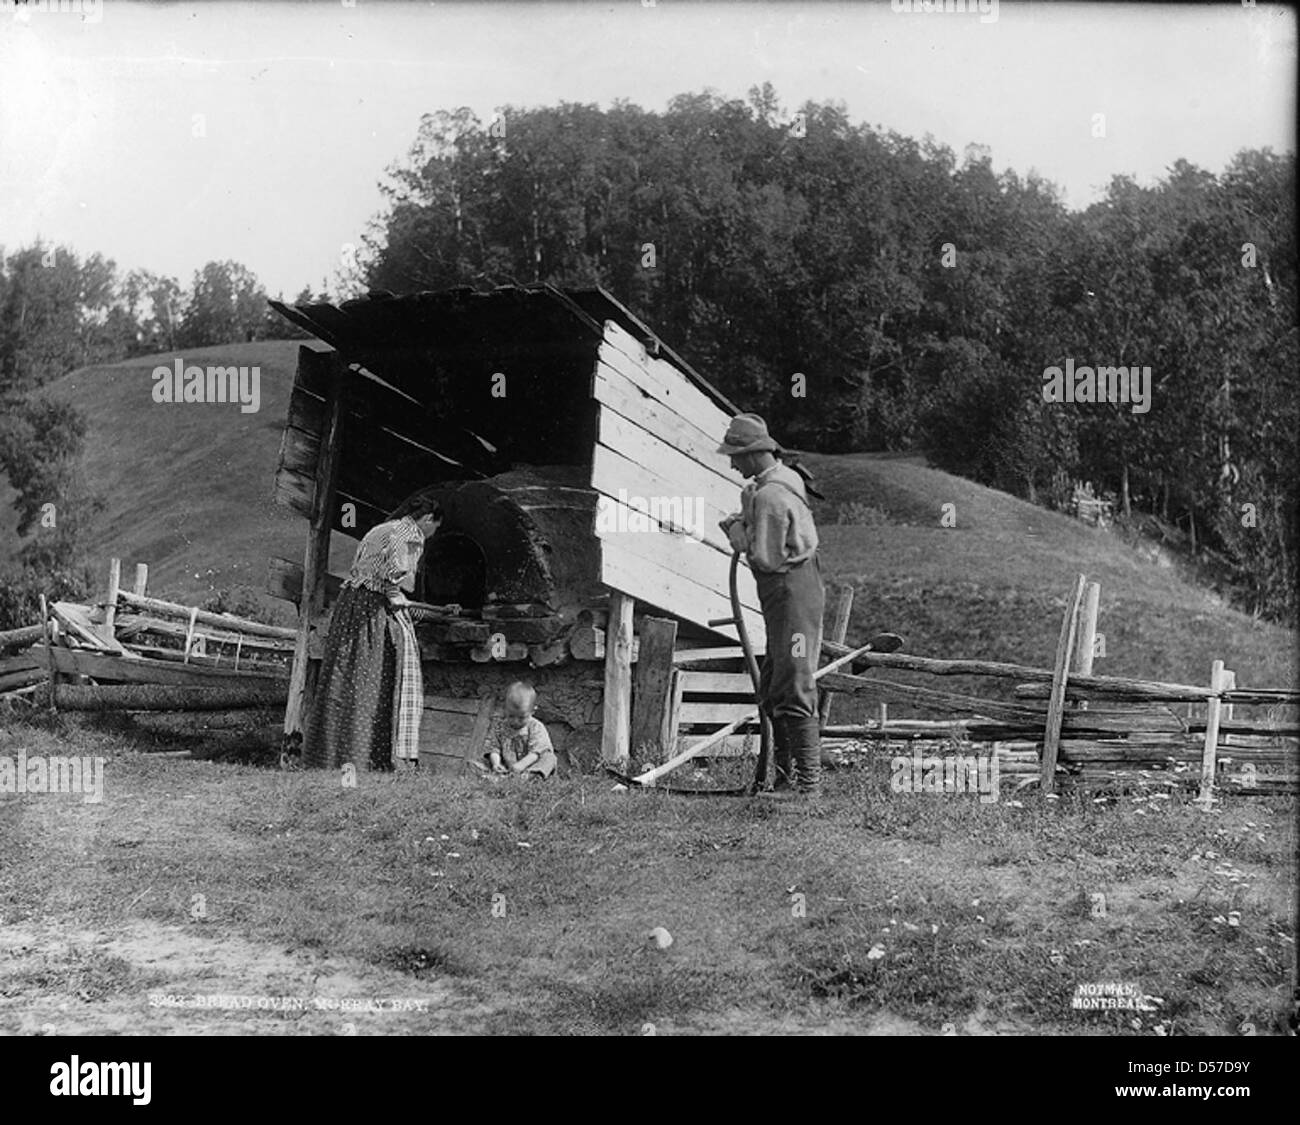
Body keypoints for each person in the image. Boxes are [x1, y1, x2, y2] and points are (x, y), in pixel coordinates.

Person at [717, 414, 826, 794]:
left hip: (792, 594)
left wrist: (737, 531)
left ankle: (807, 787)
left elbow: (763, 555)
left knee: (793, 678)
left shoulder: (770, 496)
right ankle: (783, 779)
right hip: (791, 594)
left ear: (753, 453)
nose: (732, 464)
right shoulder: (783, 479)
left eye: (735, 456)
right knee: (776, 680)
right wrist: (746, 514)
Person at [303, 496, 442, 771]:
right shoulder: (409, 534)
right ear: (428, 520)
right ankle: (366, 759)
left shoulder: (380, 529)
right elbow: (403, 581)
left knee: (346, 678)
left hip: (351, 605)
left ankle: (330, 758)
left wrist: (422, 609)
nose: (434, 533)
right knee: (371, 680)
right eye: (436, 528)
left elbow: (384, 584)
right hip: (371, 612)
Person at [483, 682, 557, 779]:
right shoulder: (500, 727)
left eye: (521, 718)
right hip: (507, 767)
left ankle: (529, 777)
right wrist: (496, 764)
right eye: (511, 716)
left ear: (532, 712)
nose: (515, 721)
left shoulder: (535, 727)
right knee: (478, 761)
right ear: (505, 709)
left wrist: (520, 766)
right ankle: (500, 776)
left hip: (531, 766)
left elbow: (536, 753)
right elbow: (494, 748)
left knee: (549, 758)